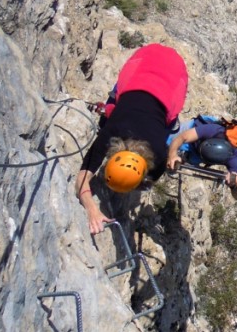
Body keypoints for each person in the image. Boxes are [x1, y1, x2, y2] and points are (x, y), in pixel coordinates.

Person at [76, 43, 188, 234]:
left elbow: (82, 180)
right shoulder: (110, 132)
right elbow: (81, 180)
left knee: (169, 123)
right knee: (117, 102)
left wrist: (92, 209)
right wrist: (91, 209)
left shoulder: (160, 150)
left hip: (165, 71)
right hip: (151, 68)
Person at [166, 117, 237, 199]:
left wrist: (234, 185)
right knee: (168, 139)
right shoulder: (212, 130)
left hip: (198, 154)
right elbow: (182, 137)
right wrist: (172, 154)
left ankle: (183, 158)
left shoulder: (233, 158)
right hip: (193, 129)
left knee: (189, 161)